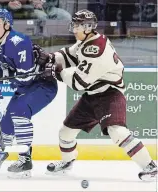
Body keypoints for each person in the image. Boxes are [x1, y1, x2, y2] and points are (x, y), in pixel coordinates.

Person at [42, 9, 157, 181]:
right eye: (74, 25)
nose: (74, 29)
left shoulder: (96, 49)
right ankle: (67, 162)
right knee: (65, 133)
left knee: (117, 132)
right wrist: (48, 58)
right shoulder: (87, 41)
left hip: (111, 94)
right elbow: (69, 55)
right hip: (93, 95)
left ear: (88, 27)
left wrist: (56, 72)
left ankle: (150, 166)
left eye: (77, 26)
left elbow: (78, 82)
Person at [0, 8, 57, 178]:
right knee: (6, 122)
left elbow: (25, 78)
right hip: (24, 88)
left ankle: (25, 160)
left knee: (19, 112)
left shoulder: (19, 42)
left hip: (42, 85)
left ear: (7, 25)